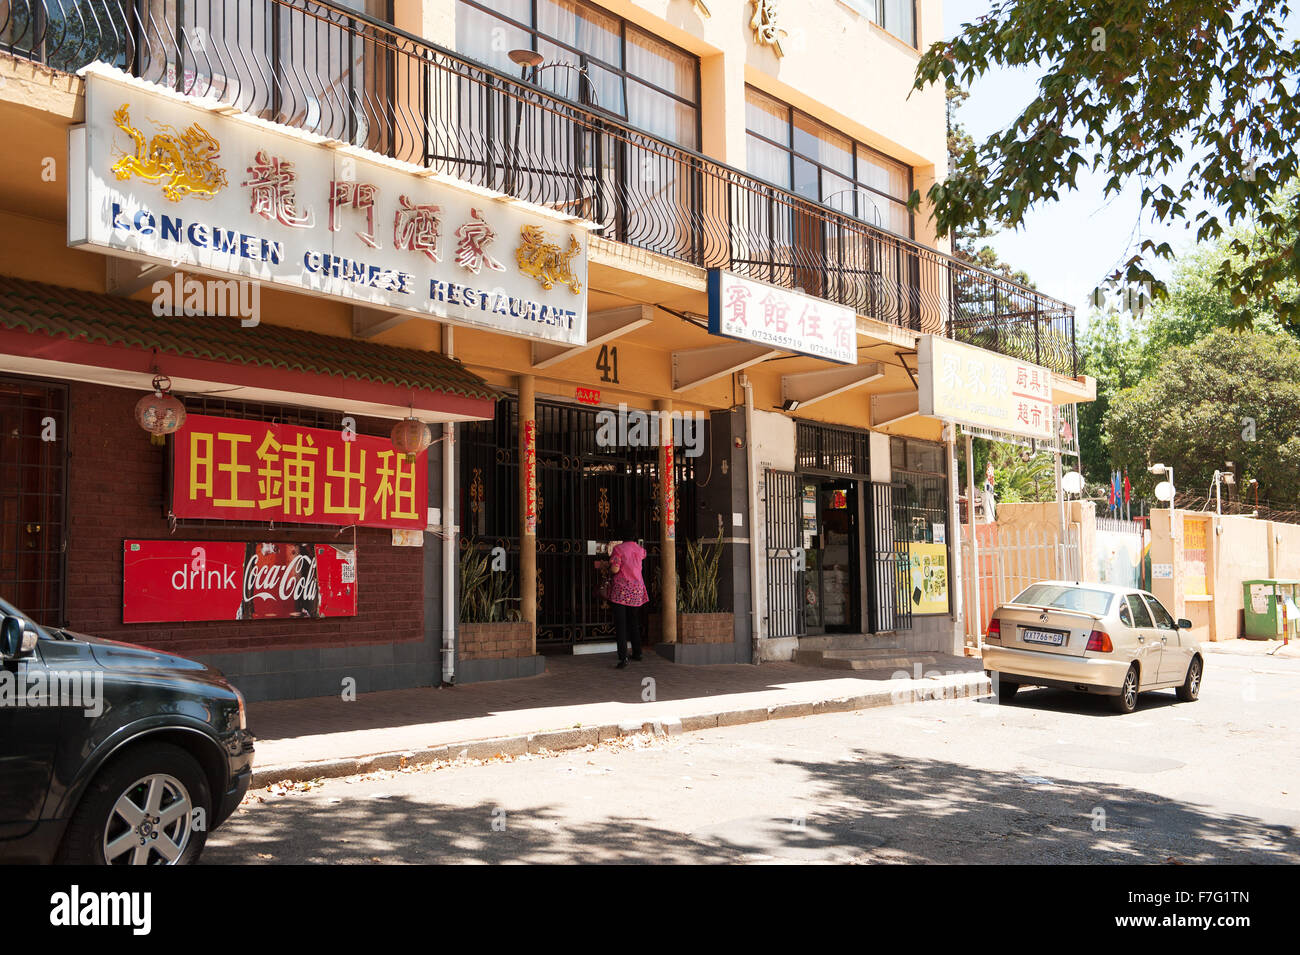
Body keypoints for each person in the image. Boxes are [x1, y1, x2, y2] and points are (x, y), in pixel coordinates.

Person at [605, 524, 648, 669]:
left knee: (621, 625)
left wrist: (609, 568)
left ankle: (623, 658)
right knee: (634, 622)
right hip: (637, 590)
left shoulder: (618, 549)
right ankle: (638, 652)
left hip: (621, 591)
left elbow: (615, 568)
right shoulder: (640, 550)